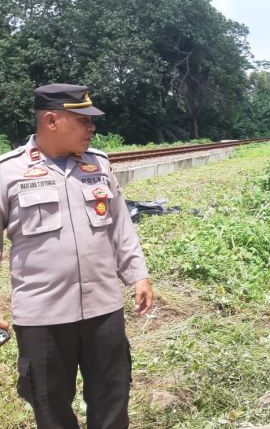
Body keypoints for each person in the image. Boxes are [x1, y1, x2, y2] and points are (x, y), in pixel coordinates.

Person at [0, 83, 153, 428]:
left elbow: (120, 226)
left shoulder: (98, 164)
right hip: (42, 316)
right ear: (51, 121)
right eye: (82, 120)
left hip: (104, 309)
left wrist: (138, 274)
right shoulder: (7, 172)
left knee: (112, 400)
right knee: (50, 405)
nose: (92, 127)